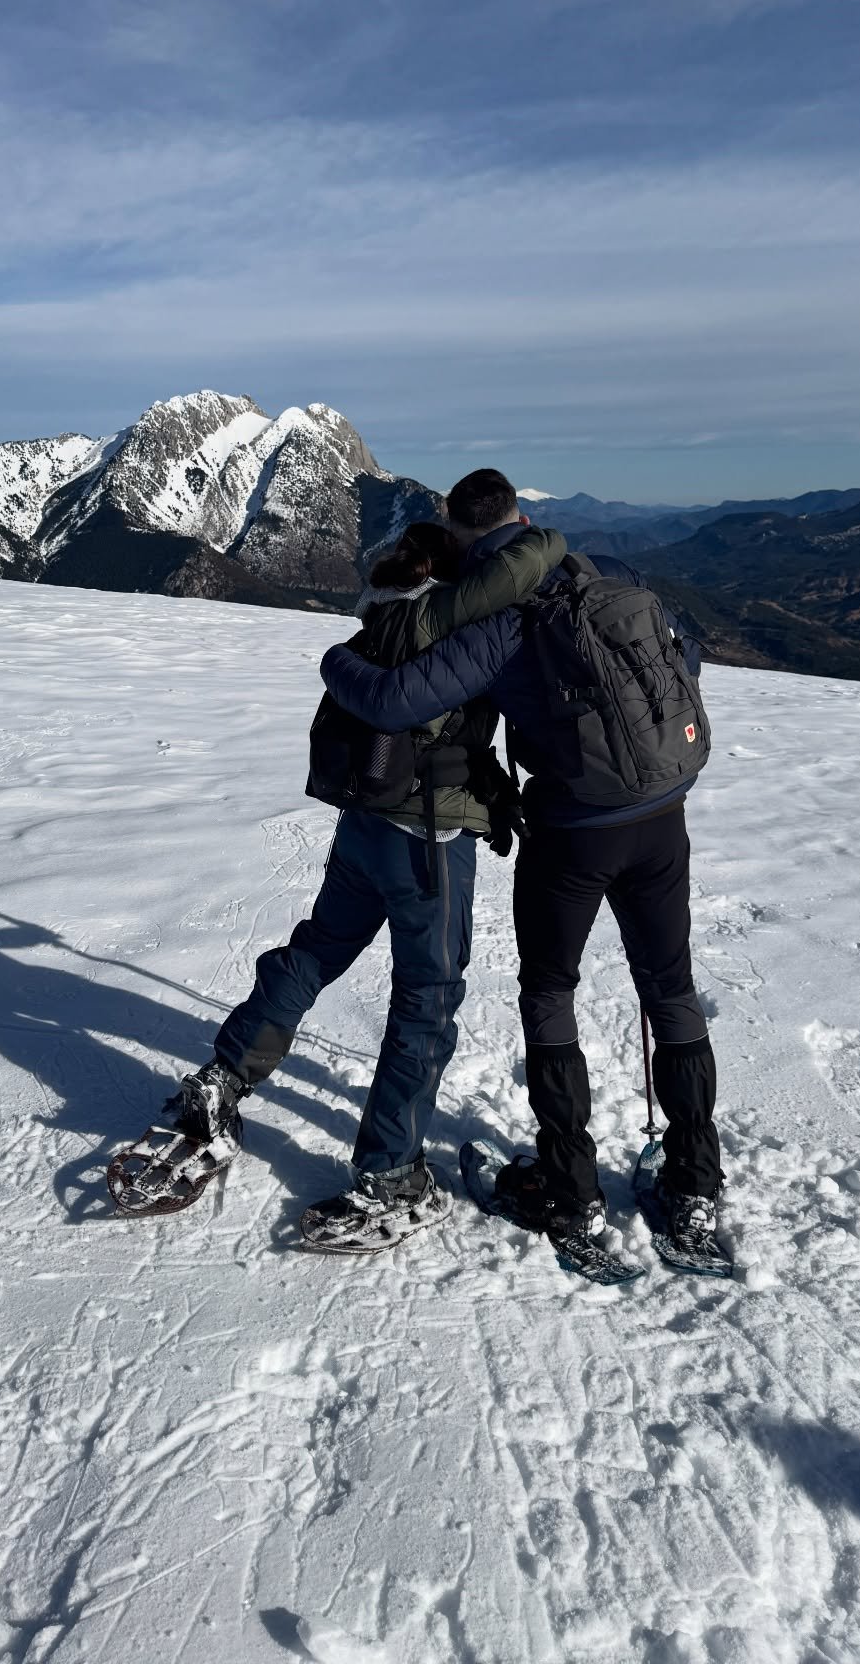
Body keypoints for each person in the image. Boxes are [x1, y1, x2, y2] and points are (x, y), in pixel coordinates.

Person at [318, 468, 724, 1264]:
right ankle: (693, 1188)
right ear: (525, 519)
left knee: (549, 996)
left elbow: (396, 702)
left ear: (458, 535)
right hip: (662, 818)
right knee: (671, 993)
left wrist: (338, 661)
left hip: (571, 834)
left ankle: (571, 1191)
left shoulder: (504, 619)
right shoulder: (608, 572)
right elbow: (687, 661)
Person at [164, 515, 568, 1248]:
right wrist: (532, 538)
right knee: (426, 1000)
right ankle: (391, 1172)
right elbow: (514, 577)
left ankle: (225, 1075)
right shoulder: (445, 616)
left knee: (317, 948)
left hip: (365, 824)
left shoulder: (377, 612)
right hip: (428, 840)